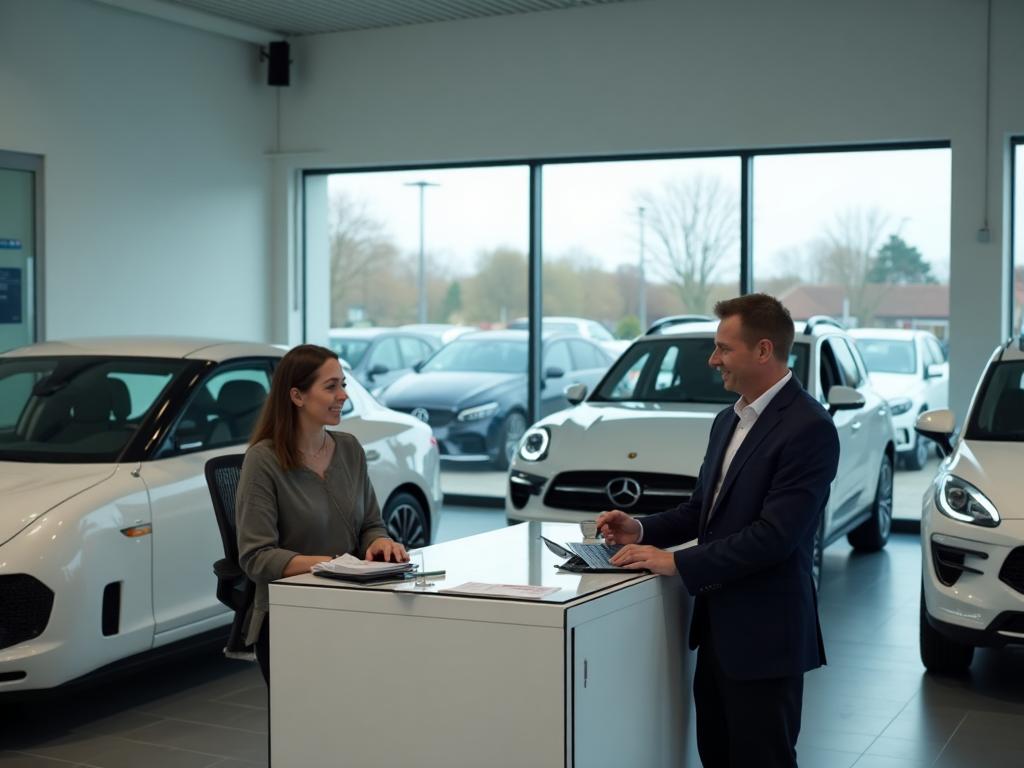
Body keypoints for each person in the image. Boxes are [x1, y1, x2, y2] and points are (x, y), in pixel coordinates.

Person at [597, 294, 840, 768]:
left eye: (724, 349)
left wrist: (676, 561)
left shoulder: (810, 427)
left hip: (766, 640)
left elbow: (775, 537)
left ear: (764, 350)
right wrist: (641, 529)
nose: (713, 360)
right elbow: (701, 511)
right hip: (717, 635)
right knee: (717, 756)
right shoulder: (728, 419)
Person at [236, 344, 408, 684]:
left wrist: (380, 543)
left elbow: (372, 524)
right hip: (292, 612)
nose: (343, 395)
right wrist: (332, 564)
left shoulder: (349, 449)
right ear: (297, 396)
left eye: (342, 384)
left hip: (351, 601)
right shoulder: (263, 460)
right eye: (331, 387)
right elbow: (256, 556)